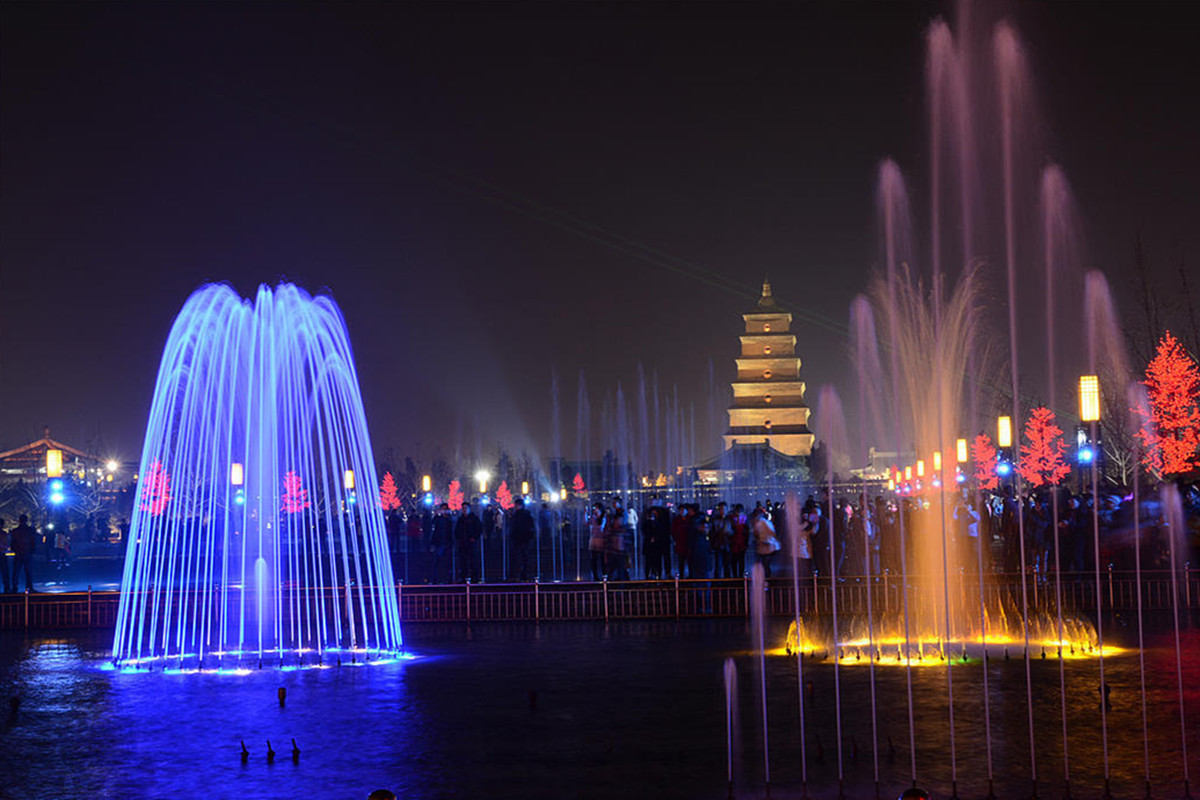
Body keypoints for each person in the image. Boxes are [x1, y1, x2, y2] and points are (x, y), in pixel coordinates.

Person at [455, 501, 483, 583]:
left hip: (471, 544)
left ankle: (475, 577)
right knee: (463, 561)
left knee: (473, 561)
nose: (464, 510)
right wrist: (459, 539)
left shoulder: (474, 519)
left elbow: (479, 529)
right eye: (463, 508)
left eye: (465, 508)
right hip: (463, 544)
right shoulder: (461, 520)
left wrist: (474, 537)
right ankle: (464, 577)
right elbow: (457, 531)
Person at [510, 497, 536, 581]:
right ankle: (522, 574)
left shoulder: (522, 515)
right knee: (523, 557)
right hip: (521, 538)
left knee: (522, 557)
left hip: (522, 538)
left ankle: (522, 574)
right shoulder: (519, 515)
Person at [10, 514, 37, 593]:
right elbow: (33, 541)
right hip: (27, 552)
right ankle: (29, 587)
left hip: (19, 552)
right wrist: (32, 550)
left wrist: (14, 549)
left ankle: (15, 587)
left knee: (16, 571)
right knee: (28, 571)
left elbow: (13, 542)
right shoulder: (29, 531)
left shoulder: (15, 531)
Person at [752, 506, 781, 579]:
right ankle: (767, 579)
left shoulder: (761, 522)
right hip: (767, 546)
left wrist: (764, 540)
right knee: (765, 564)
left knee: (765, 564)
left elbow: (769, 533)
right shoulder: (764, 522)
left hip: (767, 547)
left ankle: (767, 579)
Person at [587, 502, 607, 581]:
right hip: (594, 541)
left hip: (601, 541)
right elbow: (586, 523)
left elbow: (603, 528)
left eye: (595, 508)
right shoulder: (593, 518)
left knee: (603, 559)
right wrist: (585, 514)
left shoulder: (604, 517)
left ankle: (604, 575)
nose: (594, 510)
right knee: (594, 559)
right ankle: (595, 576)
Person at [0, 517, 10, 593]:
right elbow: (6, 545)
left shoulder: (4, 534)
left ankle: (7, 587)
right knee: (5, 572)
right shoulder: (4, 534)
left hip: (2, 554)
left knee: (5, 572)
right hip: (2, 554)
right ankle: (7, 588)